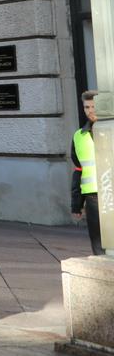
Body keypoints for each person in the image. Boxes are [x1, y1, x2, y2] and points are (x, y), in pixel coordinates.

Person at [72, 91, 102, 255]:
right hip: (93, 197)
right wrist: (76, 204)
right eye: (86, 107)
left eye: (93, 107)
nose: (90, 111)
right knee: (98, 242)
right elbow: (78, 170)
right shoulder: (78, 136)